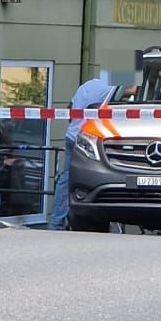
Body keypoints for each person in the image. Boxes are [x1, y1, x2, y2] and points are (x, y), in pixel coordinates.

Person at [54, 76, 114, 230]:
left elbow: (70, 107)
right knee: (93, 178)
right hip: (87, 140)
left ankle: (57, 222)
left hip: (71, 135)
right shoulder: (109, 89)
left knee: (65, 180)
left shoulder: (87, 85)